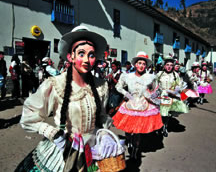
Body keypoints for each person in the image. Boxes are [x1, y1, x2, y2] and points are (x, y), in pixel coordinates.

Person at [15, 25, 116, 172]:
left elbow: (101, 117)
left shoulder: (101, 86)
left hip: (92, 151)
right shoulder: (55, 85)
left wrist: (104, 134)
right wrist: (55, 134)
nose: (87, 60)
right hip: (62, 151)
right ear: (71, 57)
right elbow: (29, 116)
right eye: (81, 53)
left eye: (91, 55)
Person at [112, 51, 163, 159]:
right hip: (129, 105)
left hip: (143, 106)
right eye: (139, 63)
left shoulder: (150, 77)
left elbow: (156, 90)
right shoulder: (127, 76)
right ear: (135, 64)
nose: (141, 66)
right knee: (128, 130)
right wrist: (126, 94)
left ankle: (135, 150)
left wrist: (152, 97)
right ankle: (129, 141)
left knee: (138, 131)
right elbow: (118, 86)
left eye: (144, 64)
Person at [157, 56, 188, 137]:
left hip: (171, 97)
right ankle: (159, 126)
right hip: (160, 96)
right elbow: (154, 85)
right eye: (167, 64)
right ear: (164, 66)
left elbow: (180, 86)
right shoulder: (159, 74)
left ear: (173, 66)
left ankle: (165, 127)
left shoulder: (176, 75)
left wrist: (175, 91)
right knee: (160, 113)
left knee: (167, 114)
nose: (169, 67)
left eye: (171, 65)